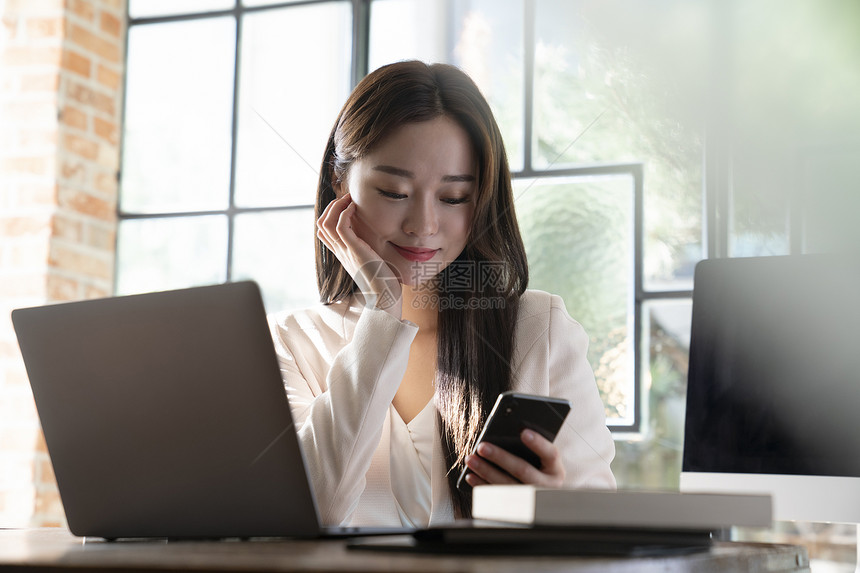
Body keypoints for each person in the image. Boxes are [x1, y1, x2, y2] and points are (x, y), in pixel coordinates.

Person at [269, 60, 615, 528]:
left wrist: (551, 510)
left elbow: (603, 536)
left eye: (453, 198)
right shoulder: (291, 342)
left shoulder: (541, 329)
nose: (423, 226)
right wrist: (382, 312)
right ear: (339, 182)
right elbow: (314, 511)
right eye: (394, 191)